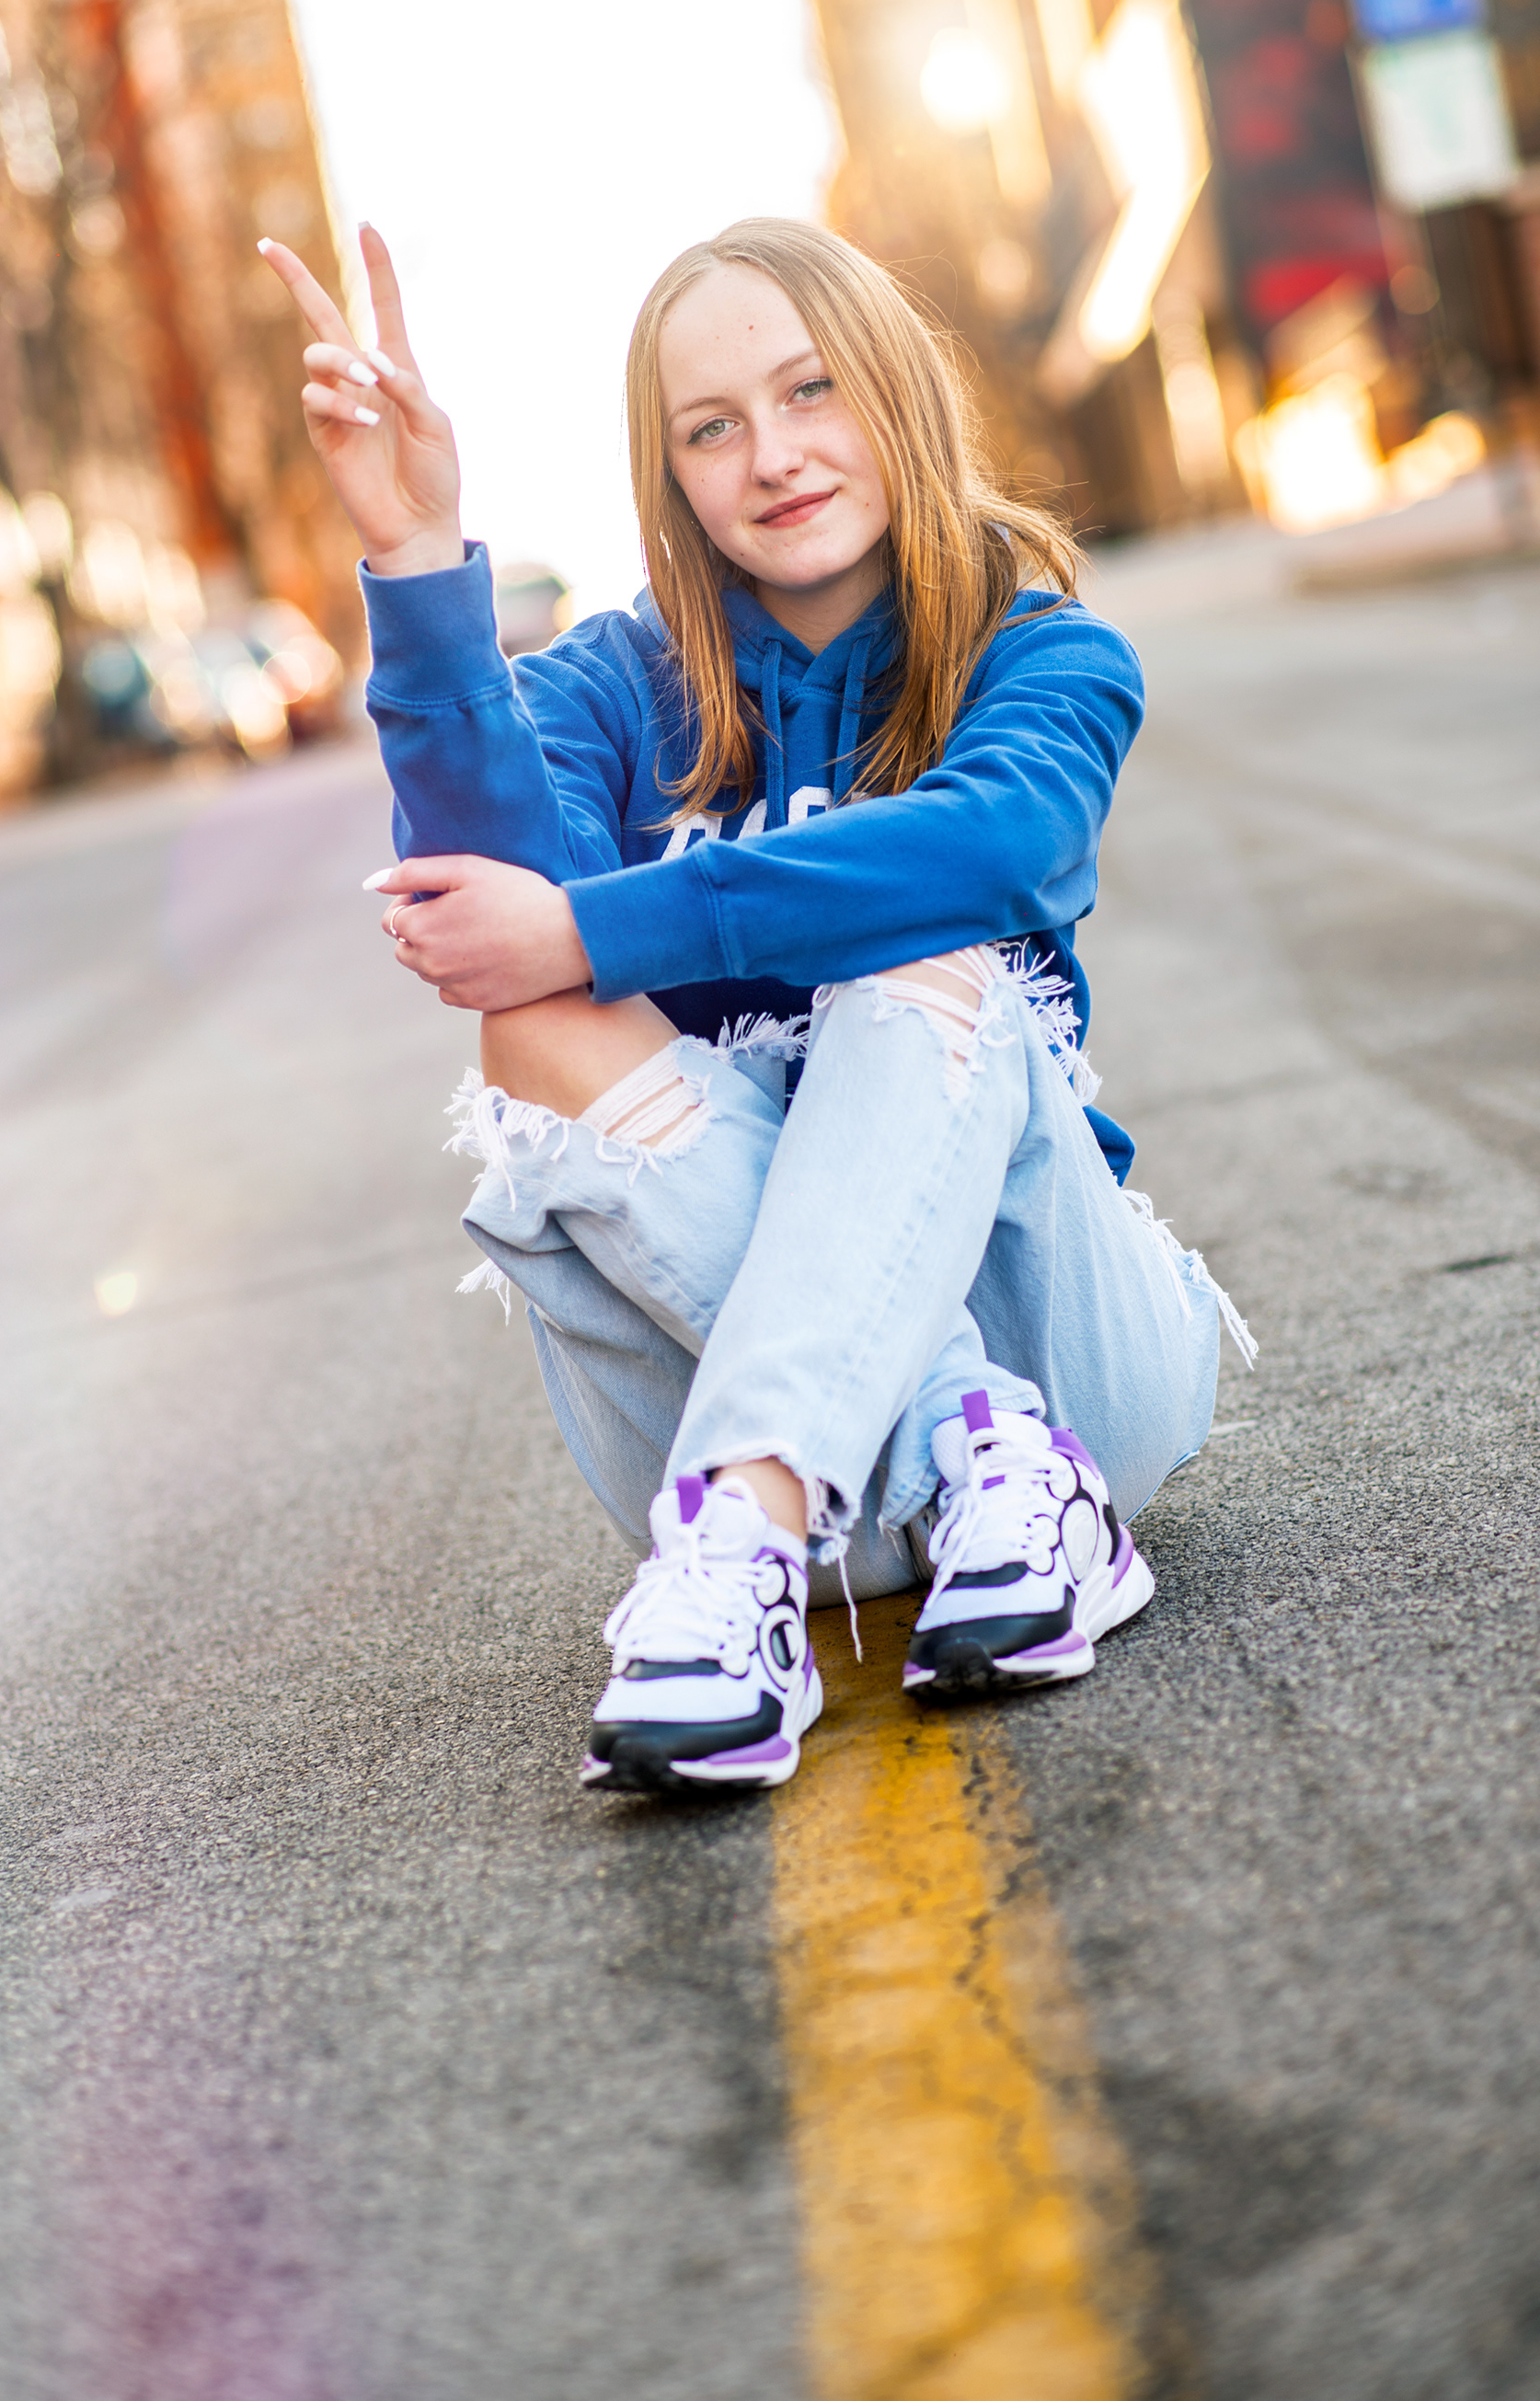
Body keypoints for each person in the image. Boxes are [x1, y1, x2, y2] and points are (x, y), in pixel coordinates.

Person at [259, 216, 1253, 1798]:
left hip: (1075, 1365)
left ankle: (881, 1492)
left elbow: (999, 846)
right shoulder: (614, 683)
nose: (771, 456)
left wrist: (607, 920)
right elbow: (484, 911)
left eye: (811, 393)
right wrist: (410, 553)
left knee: (924, 952)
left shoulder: (1038, 645)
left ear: (897, 396)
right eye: (710, 429)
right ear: (666, 477)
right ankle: (911, 1463)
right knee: (538, 1026)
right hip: (792, 1486)